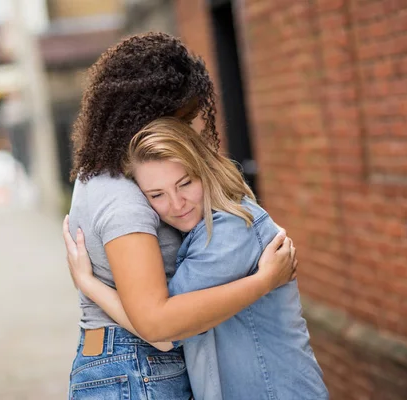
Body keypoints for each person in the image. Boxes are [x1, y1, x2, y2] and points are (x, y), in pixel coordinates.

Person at [64, 32, 298, 400]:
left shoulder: (107, 172)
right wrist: (265, 281)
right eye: (183, 119)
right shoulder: (125, 198)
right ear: (148, 115)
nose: (190, 131)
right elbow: (158, 326)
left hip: (129, 366)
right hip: (138, 368)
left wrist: (89, 285)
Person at [65, 118, 329, 399]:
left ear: (204, 170)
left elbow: (163, 332)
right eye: (157, 195)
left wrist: (88, 283)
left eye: (185, 183)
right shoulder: (203, 233)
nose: (177, 204)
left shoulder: (230, 231)